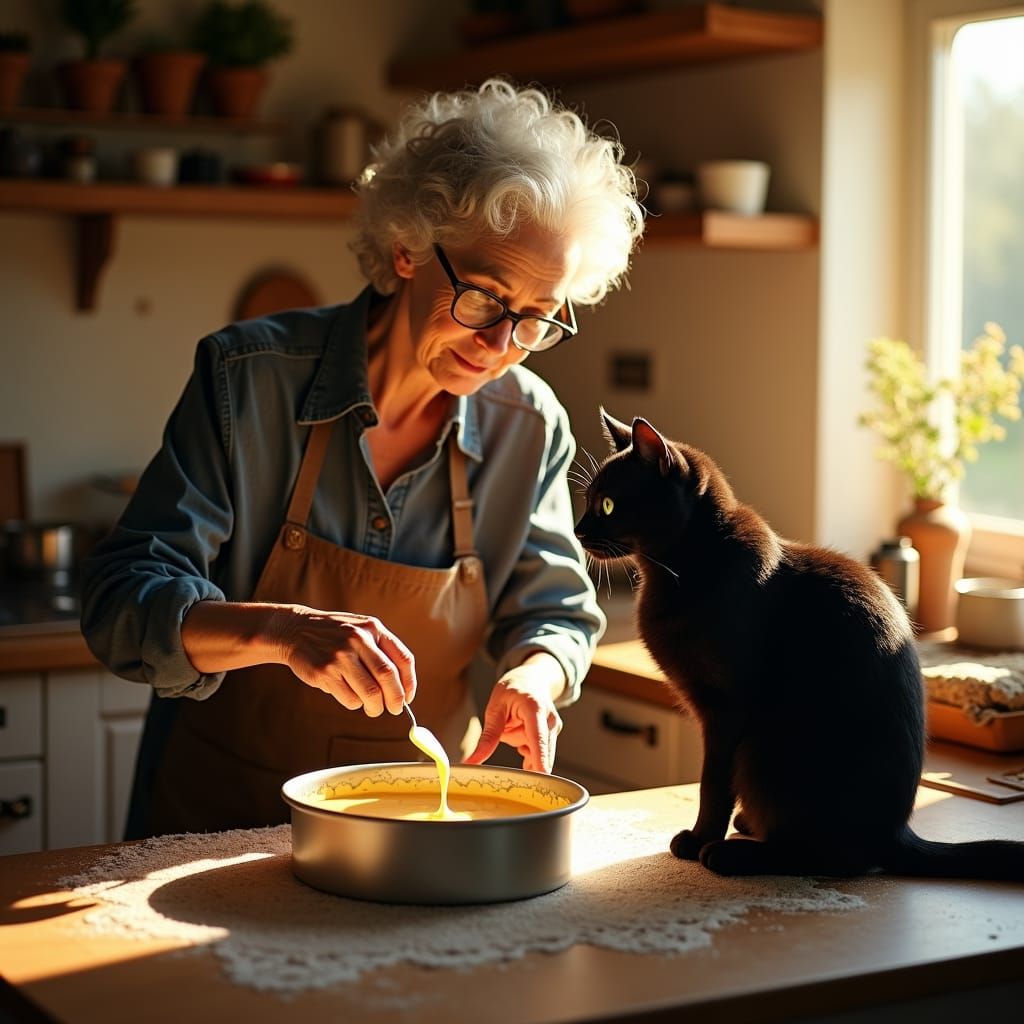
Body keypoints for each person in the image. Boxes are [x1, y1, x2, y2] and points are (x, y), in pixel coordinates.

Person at [80, 78, 645, 838]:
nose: (501, 347)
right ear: (408, 247)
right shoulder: (248, 381)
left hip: (411, 834)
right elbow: (121, 605)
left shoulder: (529, 424)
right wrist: (282, 632)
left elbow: (554, 613)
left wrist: (534, 677)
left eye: (538, 319)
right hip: (215, 829)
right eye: (483, 297)